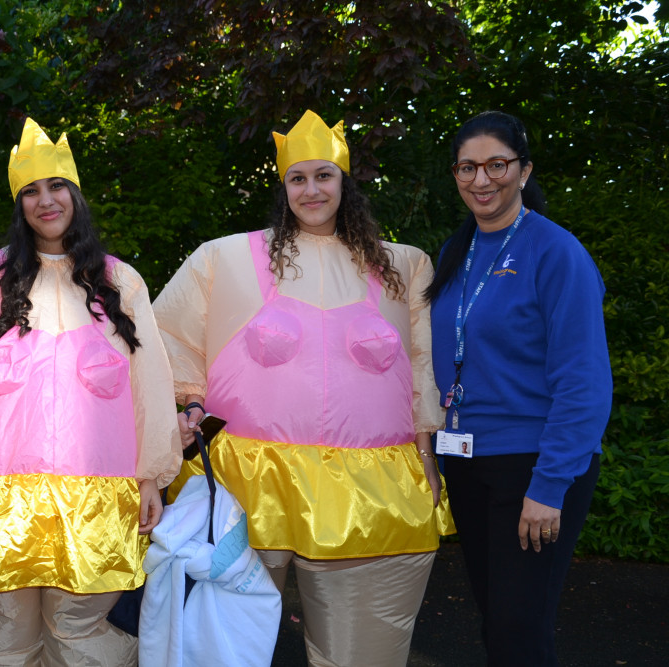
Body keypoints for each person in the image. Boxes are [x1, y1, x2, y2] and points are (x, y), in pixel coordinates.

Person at [153, 109, 454, 666]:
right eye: (298, 178)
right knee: (221, 642)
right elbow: (163, 337)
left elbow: (422, 367)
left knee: (362, 647)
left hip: (370, 485)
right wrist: (190, 402)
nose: (311, 189)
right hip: (250, 479)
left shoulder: (402, 266)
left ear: (345, 182)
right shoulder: (226, 258)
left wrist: (426, 450)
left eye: (323, 175)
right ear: (283, 186)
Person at [0, 117, 182, 665]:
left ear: (76, 195)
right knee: (6, 640)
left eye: (56, 186)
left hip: (97, 500)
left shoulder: (121, 283)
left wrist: (152, 475)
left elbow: (151, 385)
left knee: (79, 633)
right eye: (31, 191)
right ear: (19, 206)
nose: (46, 200)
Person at [426, 110, 612, 665]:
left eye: (496, 165)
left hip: (533, 463)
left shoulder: (557, 253)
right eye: (467, 167)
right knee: (496, 622)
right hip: (467, 459)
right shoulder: (453, 254)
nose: (481, 180)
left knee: (518, 630)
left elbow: (583, 383)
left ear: (523, 170)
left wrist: (550, 486)